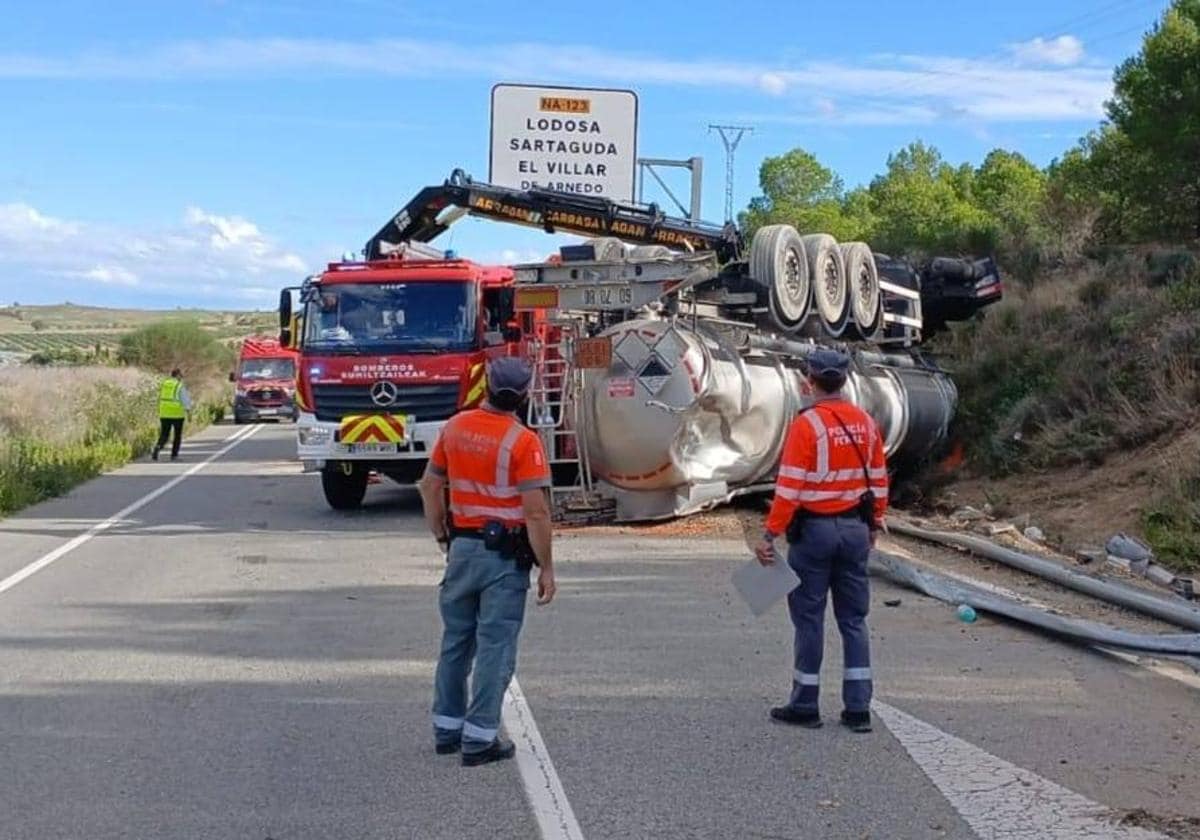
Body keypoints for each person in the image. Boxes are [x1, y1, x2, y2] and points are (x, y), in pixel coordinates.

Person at [416, 356, 557, 767]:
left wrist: (443, 533)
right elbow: (536, 513)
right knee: (495, 645)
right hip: (504, 559)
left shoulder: (455, 427)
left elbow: (429, 486)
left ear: (486, 387)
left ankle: (447, 729)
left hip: (461, 549)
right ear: (526, 394)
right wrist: (547, 567)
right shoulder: (524, 442)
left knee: (456, 640)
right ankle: (480, 738)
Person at [754, 348, 889, 734]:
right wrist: (874, 524)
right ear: (844, 380)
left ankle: (805, 704)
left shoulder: (806, 426)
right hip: (855, 531)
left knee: (809, 620)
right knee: (854, 620)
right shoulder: (866, 422)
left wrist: (770, 534)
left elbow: (790, 488)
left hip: (813, 534)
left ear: (808, 382)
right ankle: (858, 708)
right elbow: (878, 481)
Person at [152, 368, 192, 462]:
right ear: (177, 375)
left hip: (164, 413)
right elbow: (185, 400)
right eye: (180, 375)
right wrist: (189, 412)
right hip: (177, 414)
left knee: (164, 434)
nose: (181, 377)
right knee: (177, 436)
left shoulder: (164, 384)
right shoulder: (179, 385)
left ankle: (157, 448)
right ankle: (174, 455)